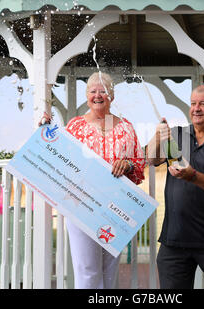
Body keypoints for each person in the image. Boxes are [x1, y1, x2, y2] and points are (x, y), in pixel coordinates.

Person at [39, 72, 145, 289]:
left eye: (103, 91)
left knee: (109, 270)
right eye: (93, 91)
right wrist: (44, 130)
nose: (98, 95)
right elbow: (58, 158)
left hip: (115, 207)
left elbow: (139, 163)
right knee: (87, 270)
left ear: (112, 96)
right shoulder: (75, 125)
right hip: (81, 204)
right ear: (86, 96)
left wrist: (128, 164)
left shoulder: (126, 127)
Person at [146, 85, 204, 289]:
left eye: (203, 104)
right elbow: (152, 159)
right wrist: (157, 136)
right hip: (174, 242)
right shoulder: (177, 135)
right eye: (193, 103)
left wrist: (193, 176)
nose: (196, 108)